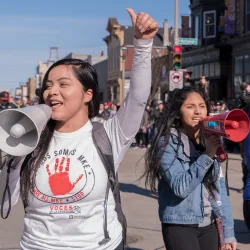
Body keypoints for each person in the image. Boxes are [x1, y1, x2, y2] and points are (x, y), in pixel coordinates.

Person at [0, 9, 158, 250]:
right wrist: (9, 153)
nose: (52, 92)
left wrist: (143, 44)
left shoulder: (108, 134)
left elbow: (136, 98)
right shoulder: (29, 140)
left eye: (64, 84)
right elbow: (5, 201)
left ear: (88, 94)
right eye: (48, 86)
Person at [143, 87, 237, 250]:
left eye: (202, 106)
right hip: (180, 225)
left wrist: (228, 232)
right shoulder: (168, 142)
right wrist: (207, 155)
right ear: (178, 112)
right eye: (190, 106)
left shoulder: (208, 139)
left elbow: (219, 189)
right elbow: (181, 187)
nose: (197, 111)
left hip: (209, 224)